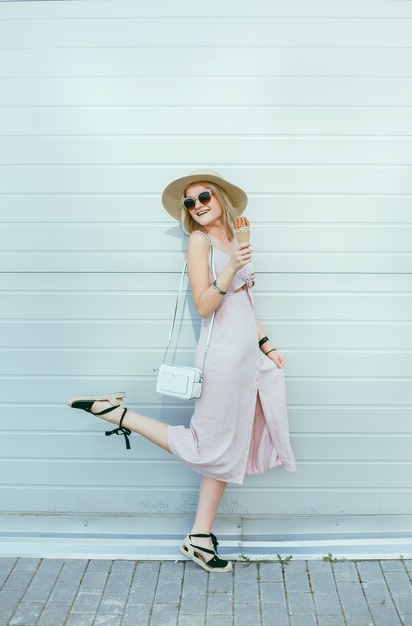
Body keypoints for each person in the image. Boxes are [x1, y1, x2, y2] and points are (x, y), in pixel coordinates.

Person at [67, 168, 296, 574]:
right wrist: (232, 266)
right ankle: (117, 414)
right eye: (190, 203)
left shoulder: (233, 237)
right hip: (223, 359)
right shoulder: (199, 241)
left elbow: (245, 302)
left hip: (248, 358)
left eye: (203, 196)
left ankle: (199, 538)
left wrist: (267, 345)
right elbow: (206, 305)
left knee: (227, 449)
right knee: (210, 446)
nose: (198, 206)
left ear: (220, 197)